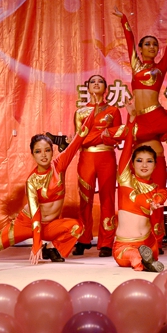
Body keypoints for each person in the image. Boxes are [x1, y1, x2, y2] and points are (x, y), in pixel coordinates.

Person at [0, 112, 94, 265]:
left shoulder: (59, 166)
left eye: (47, 150)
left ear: (52, 151)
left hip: (49, 226)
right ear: (33, 155)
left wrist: (96, 110)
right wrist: (36, 244)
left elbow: (79, 138)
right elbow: (35, 215)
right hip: (26, 223)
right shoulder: (32, 181)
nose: (43, 155)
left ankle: (51, 249)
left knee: (76, 227)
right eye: (38, 151)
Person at [110, 6, 167, 252]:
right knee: (127, 147)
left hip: (155, 116)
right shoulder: (136, 65)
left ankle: (155, 240)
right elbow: (129, 42)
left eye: (154, 45)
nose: (152, 48)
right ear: (141, 49)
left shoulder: (160, 68)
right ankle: (133, 235)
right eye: (147, 44)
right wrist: (124, 20)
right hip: (139, 120)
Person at [112, 101, 167, 272]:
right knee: (132, 255)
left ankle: (146, 258)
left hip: (148, 241)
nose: (144, 165)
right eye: (139, 160)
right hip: (124, 245)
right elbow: (127, 150)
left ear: (155, 165)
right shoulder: (126, 180)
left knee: (149, 252)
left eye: (149, 161)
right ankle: (141, 260)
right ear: (132, 164)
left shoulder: (156, 189)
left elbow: (162, 195)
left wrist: (156, 201)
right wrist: (131, 119)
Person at [72, 75, 122, 258]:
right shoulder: (80, 112)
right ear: (87, 87)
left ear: (105, 88)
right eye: (92, 81)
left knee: (107, 198)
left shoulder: (113, 111)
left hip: (106, 156)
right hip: (87, 157)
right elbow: (78, 139)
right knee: (85, 200)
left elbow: (118, 135)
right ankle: (83, 239)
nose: (96, 84)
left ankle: (106, 242)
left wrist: (96, 137)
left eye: (100, 81)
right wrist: (102, 135)